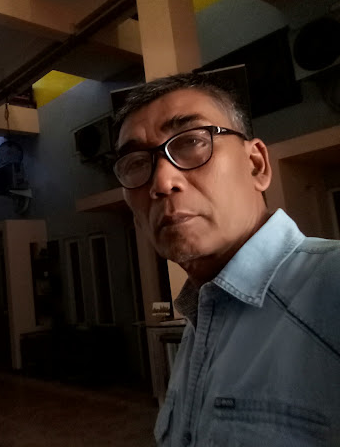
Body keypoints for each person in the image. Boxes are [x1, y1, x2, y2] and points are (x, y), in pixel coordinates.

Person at [113, 72, 340, 446]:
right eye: (136, 163)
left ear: (256, 164)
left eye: (191, 142)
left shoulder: (330, 287)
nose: (161, 182)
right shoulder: (201, 320)